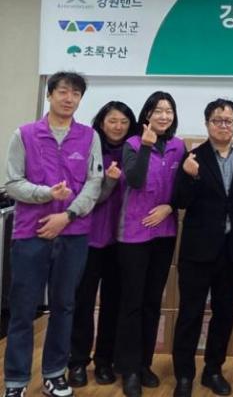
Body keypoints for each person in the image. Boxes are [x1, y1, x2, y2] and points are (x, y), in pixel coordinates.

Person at [3, 71, 103, 397]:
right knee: (23, 309)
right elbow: (12, 183)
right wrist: (46, 194)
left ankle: (54, 374)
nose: (69, 98)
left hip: (73, 234)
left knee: (64, 306)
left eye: (75, 93)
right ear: (49, 95)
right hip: (30, 233)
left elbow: (94, 183)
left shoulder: (89, 137)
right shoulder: (25, 134)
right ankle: (16, 380)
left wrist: (68, 215)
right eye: (62, 91)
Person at [171, 99, 233, 397]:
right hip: (197, 252)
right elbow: (180, 201)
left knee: (224, 313)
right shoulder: (193, 157)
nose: (223, 126)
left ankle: (213, 370)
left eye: (228, 121)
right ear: (207, 124)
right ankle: (184, 375)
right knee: (190, 314)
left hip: (231, 252)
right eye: (217, 120)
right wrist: (189, 176)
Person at [113, 91, 185, 397]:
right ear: (147, 115)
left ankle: (144, 363)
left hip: (164, 232)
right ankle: (128, 368)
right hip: (134, 233)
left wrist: (170, 206)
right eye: (158, 110)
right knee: (132, 302)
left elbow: (183, 188)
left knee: (152, 301)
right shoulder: (132, 143)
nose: (164, 116)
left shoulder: (179, 146)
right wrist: (145, 146)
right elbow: (135, 180)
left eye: (169, 111)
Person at [67, 101, 137, 388]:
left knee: (113, 303)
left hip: (122, 240)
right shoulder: (89, 149)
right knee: (83, 302)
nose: (118, 127)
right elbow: (85, 195)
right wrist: (107, 182)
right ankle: (77, 361)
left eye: (123, 122)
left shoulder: (134, 152)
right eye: (112, 121)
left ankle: (105, 361)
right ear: (101, 122)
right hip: (89, 237)